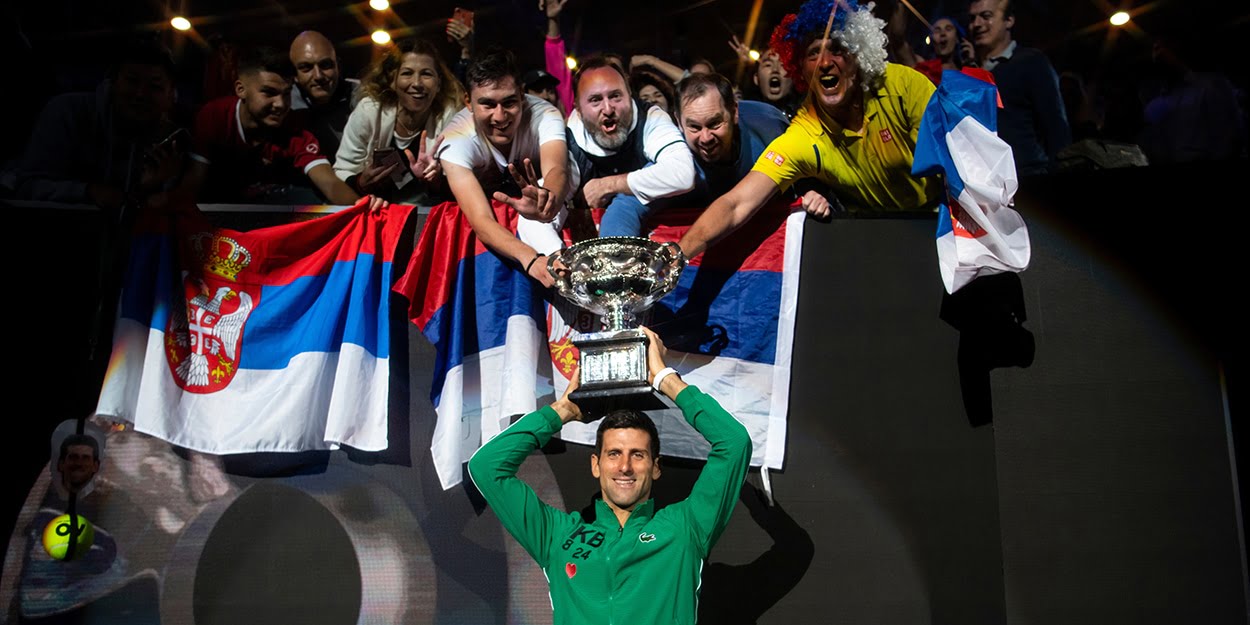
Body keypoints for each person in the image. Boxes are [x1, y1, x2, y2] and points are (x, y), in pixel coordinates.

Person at [467, 327, 751, 625]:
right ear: (595, 465)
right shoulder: (556, 535)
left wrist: (665, 379)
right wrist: (562, 410)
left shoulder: (687, 527)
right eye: (614, 454)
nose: (625, 467)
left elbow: (733, 443)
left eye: (637, 455)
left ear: (656, 467)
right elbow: (487, 467)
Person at [679, 0, 942, 258]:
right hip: (874, 241)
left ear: (857, 57)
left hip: (940, 225)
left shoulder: (903, 86)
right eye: (813, 53)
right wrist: (676, 254)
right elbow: (735, 204)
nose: (825, 62)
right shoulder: (804, 132)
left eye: (837, 49)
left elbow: (955, 166)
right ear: (801, 70)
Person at [436, 48, 572, 287]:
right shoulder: (455, 138)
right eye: (488, 104)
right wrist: (531, 260)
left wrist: (547, 198)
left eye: (509, 102)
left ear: (522, 94)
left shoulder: (545, 114)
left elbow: (558, 169)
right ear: (467, 101)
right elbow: (481, 219)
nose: (500, 117)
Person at [13, 38, 182, 210]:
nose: (140, 94)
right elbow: (26, 186)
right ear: (113, 82)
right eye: (131, 81)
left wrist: (152, 187)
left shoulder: (169, 138)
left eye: (154, 87)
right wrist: (88, 192)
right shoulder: (68, 112)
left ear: (171, 96)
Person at [180, 45, 359, 204]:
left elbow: (330, 183)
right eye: (269, 93)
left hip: (269, 202)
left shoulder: (294, 127)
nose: (280, 104)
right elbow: (192, 183)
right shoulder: (214, 116)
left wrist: (363, 208)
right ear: (240, 89)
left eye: (286, 93)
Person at [567, 57, 696, 237]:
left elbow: (683, 174)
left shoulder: (651, 117)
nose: (608, 109)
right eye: (595, 100)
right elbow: (547, 206)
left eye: (615, 96)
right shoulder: (569, 140)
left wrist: (607, 185)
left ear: (630, 95)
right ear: (578, 109)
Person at [334, 39, 464, 204]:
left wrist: (436, 181)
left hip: (427, 212)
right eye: (407, 73)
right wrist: (360, 183)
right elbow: (341, 171)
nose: (417, 83)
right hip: (376, 210)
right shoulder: (369, 111)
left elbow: (463, 181)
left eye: (426, 74)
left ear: (438, 84)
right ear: (392, 81)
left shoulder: (450, 117)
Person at [969, 0, 1070, 175]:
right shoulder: (969, 73)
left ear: (1009, 20)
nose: (977, 24)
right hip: (983, 186)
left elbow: (1056, 128)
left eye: (986, 16)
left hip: (1028, 181)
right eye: (972, 18)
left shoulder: (1031, 61)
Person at [289, 31, 359, 161]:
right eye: (306, 68)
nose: (318, 76)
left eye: (325, 65)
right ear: (294, 75)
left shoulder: (364, 96)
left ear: (338, 65)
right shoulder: (284, 105)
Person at [913, 16, 976, 85]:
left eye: (948, 29)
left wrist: (971, 64)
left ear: (957, 38)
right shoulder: (924, 68)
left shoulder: (966, 71)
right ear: (931, 40)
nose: (942, 33)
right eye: (937, 30)